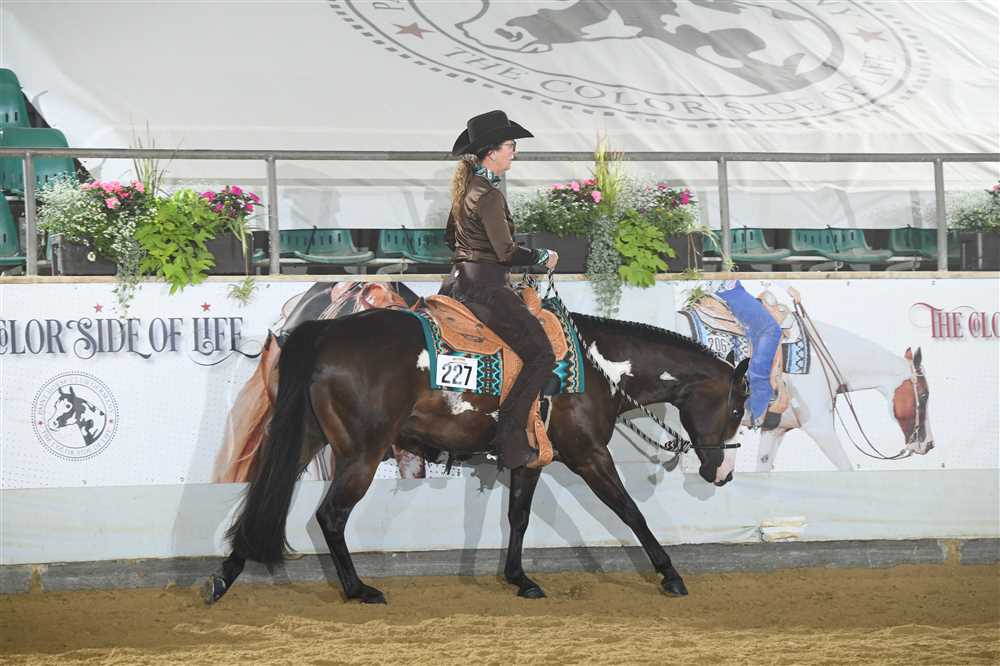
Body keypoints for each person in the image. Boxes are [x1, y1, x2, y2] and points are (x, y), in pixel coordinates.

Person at [444, 109, 559, 469]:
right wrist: (542, 256)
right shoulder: (489, 194)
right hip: (486, 289)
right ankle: (509, 437)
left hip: (459, 283)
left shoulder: (467, 190)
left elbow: (450, 238)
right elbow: (506, 252)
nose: (514, 152)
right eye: (510, 145)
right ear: (491, 151)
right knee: (542, 355)